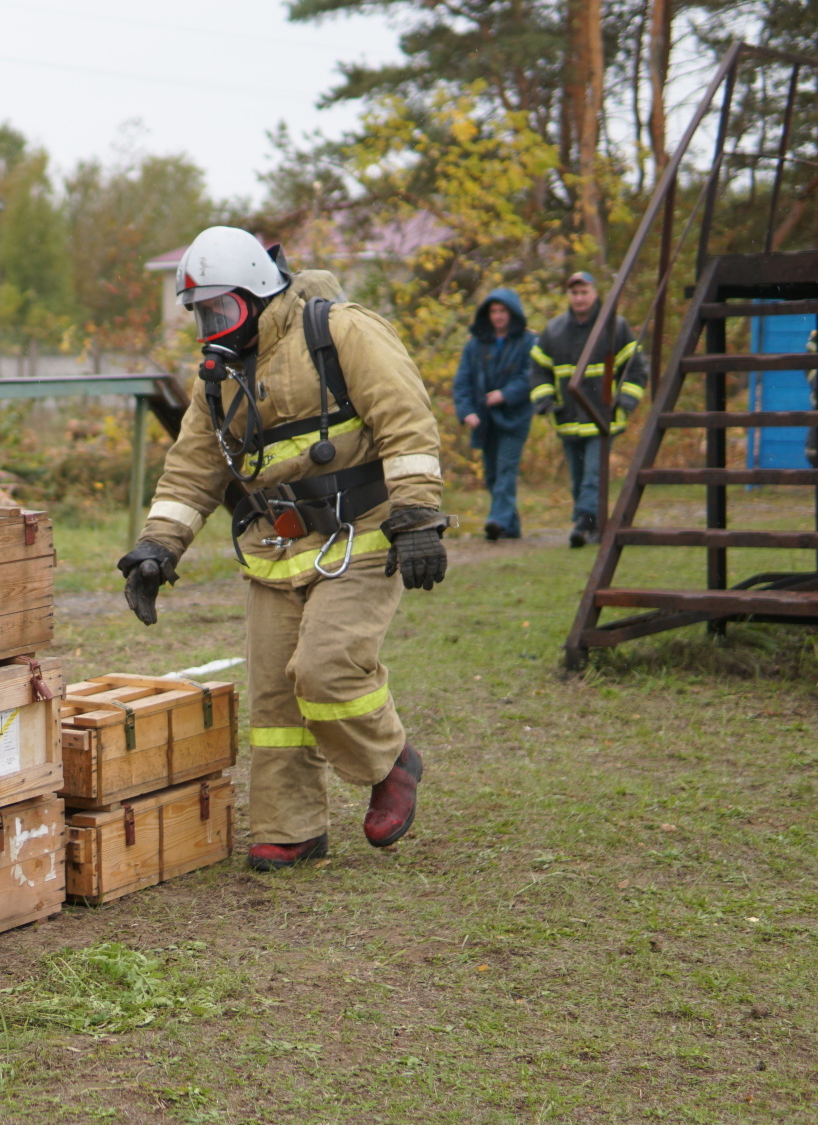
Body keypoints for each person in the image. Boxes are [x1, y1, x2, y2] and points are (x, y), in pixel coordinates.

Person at [115, 226, 450, 872]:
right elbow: (192, 467)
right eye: (202, 314)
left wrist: (418, 517)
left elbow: (405, 415)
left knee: (324, 669)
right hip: (273, 549)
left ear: (259, 293)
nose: (212, 326)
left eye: (224, 309)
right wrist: (158, 546)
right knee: (273, 699)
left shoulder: (341, 331)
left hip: (365, 535)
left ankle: (390, 760)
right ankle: (290, 825)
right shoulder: (218, 376)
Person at [530, 271, 642, 547]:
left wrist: (626, 401)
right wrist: (545, 402)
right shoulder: (553, 330)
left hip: (603, 418)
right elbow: (538, 370)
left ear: (595, 294)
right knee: (578, 478)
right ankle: (592, 525)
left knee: (593, 473)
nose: (579, 298)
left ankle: (582, 522)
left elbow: (636, 368)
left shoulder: (616, 327)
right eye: (574, 293)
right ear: (568, 296)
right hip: (567, 419)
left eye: (584, 292)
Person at [451, 289, 535, 540]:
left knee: (506, 469)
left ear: (513, 313)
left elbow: (530, 376)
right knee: (492, 474)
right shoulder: (475, 345)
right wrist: (466, 412)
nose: (498, 316)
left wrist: (505, 394)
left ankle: (496, 520)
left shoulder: (528, 342)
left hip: (515, 418)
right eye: (494, 311)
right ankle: (511, 525)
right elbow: (462, 382)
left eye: (503, 311)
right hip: (484, 420)